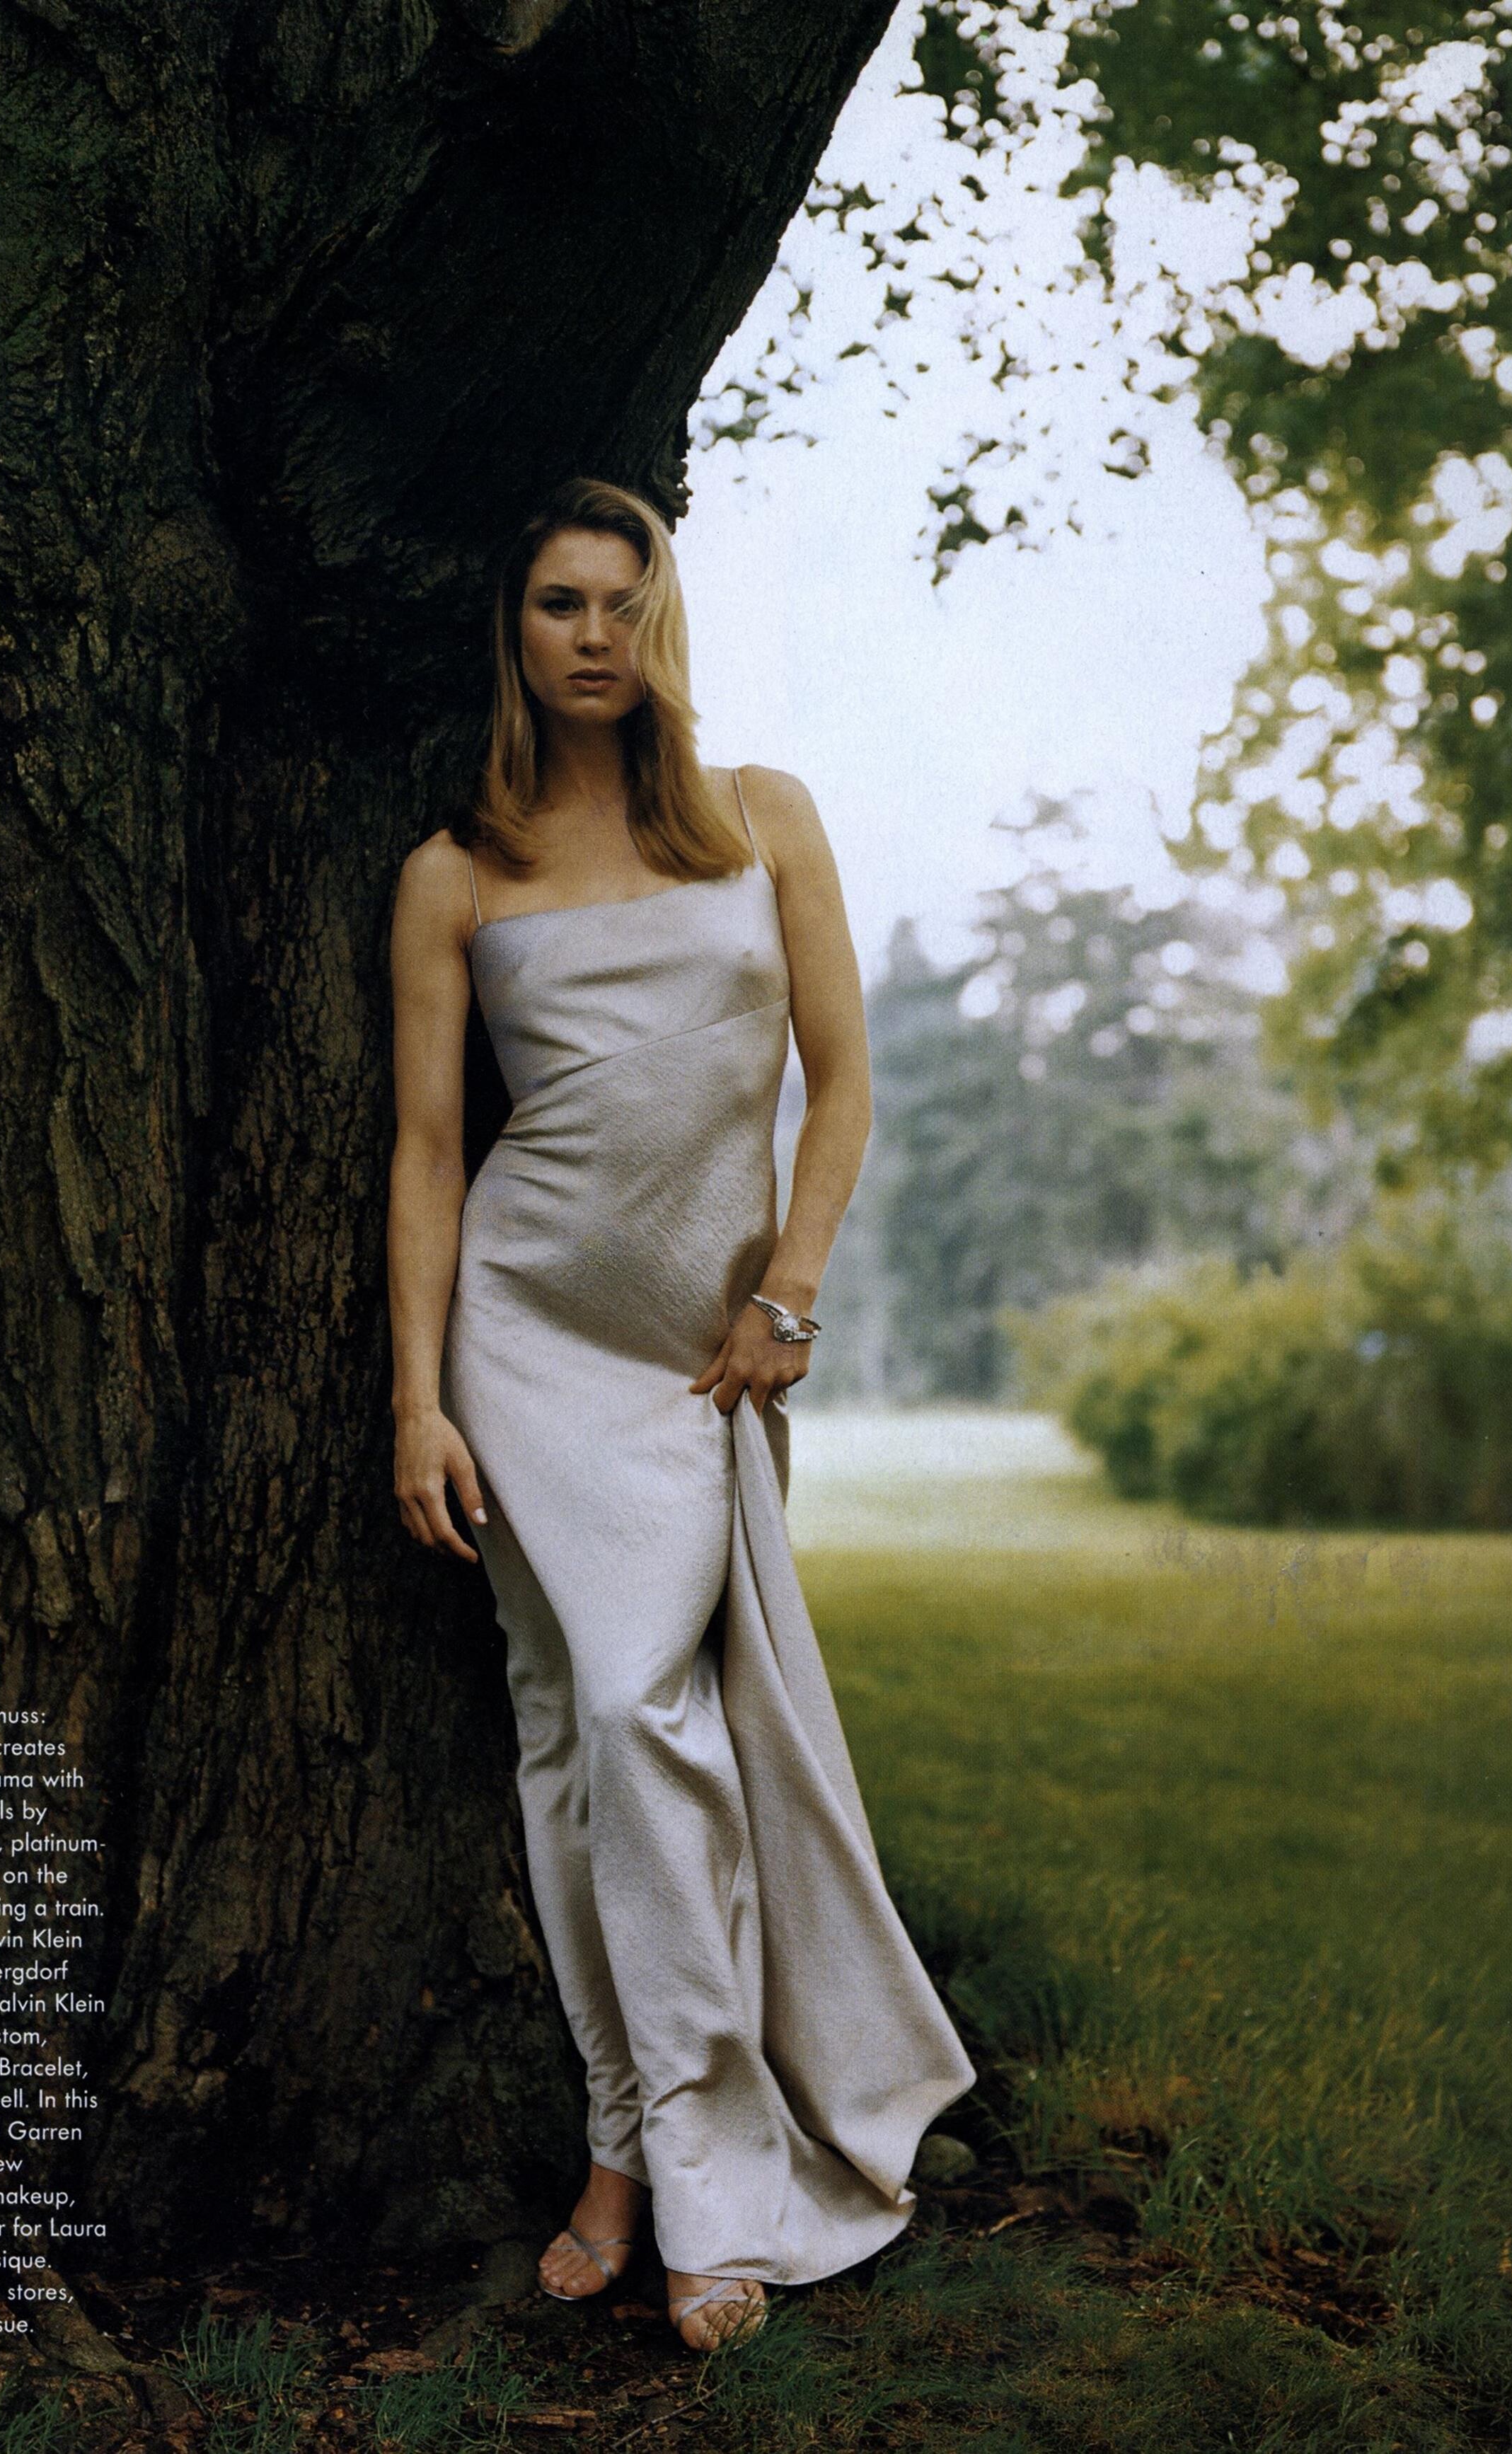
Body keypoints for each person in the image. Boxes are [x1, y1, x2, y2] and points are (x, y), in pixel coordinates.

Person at [386, 476, 974, 2354]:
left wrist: (789, 1290)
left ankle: (661, 2161)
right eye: (561, 602)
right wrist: (416, 1398)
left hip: (704, 1351)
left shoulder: (762, 819)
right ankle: (659, 2152)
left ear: (666, 622)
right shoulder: (458, 869)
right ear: (515, 629)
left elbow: (843, 1079)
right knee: (587, 1729)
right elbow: (429, 1155)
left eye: (624, 603)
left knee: (626, 1728)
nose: (595, 635)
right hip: (529, 1339)